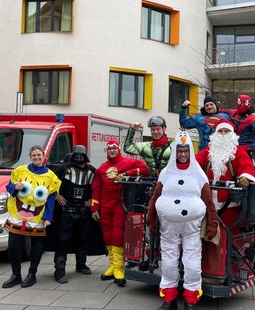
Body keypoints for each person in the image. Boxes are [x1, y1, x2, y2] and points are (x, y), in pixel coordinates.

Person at [147, 131, 218, 310]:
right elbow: (155, 196)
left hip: (191, 228)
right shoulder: (166, 172)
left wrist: (212, 223)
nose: (183, 154)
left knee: (192, 263)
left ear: (190, 152)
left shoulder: (198, 174)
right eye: (180, 150)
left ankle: (190, 300)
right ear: (175, 152)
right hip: (168, 227)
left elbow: (209, 201)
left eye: (186, 150)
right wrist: (151, 218)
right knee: (169, 263)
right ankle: (169, 299)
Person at [91, 139, 150, 287]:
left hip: (120, 205)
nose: (112, 150)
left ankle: (119, 268)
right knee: (107, 235)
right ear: (106, 150)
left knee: (118, 234)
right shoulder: (101, 168)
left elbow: (144, 169)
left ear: (118, 149)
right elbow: (96, 188)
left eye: (114, 148)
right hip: (105, 206)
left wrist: (126, 174)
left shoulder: (128, 162)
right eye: (109, 148)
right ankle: (113, 265)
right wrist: (94, 208)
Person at [2, 145, 61, 289]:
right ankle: (15, 275)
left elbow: (51, 199)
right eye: (34, 155)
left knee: (37, 245)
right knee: (13, 245)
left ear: (43, 156)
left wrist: (48, 217)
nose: (36, 157)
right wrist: (15, 187)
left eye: (39, 155)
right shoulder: (19, 171)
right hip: (17, 215)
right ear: (30, 156)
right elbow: (9, 187)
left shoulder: (51, 177)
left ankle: (32, 274)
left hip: (38, 217)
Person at [195, 118, 255, 229]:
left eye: (226, 131)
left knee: (228, 237)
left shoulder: (239, 152)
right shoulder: (207, 152)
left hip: (230, 205)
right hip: (207, 203)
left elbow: (246, 166)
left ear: (232, 134)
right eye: (220, 131)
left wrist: (245, 177)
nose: (223, 134)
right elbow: (194, 164)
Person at [52, 145, 97, 284]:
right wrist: (57, 195)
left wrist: (93, 199)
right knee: (64, 240)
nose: (80, 160)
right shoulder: (64, 169)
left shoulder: (92, 171)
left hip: (84, 211)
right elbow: (50, 183)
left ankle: (81, 264)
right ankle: (59, 270)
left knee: (83, 238)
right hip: (67, 210)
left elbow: (99, 187)